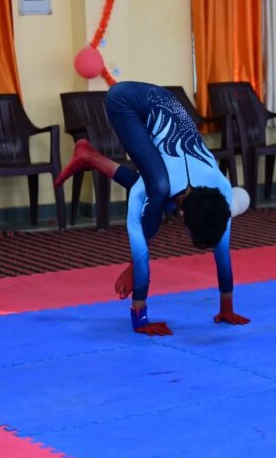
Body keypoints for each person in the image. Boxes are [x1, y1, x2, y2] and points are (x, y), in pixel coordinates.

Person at [54, 81, 251, 335]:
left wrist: (226, 308)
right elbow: (139, 246)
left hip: (165, 101)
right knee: (157, 189)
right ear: (183, 216)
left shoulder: (220, 194)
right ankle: (89, 156)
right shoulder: (154, 189)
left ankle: (88, 156)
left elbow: (222, 252)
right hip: (124, 100)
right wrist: (140, 316)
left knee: (159, 192)